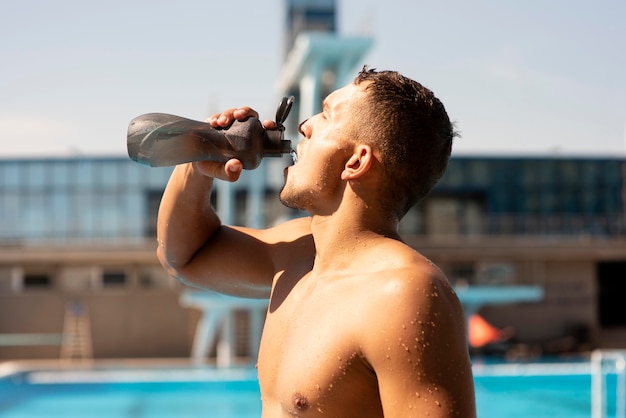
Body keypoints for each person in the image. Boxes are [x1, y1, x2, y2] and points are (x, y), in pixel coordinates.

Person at [157, 67, 476, 417]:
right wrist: (199, 159)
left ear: (356, 161)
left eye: (327, 114)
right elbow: (184, 256)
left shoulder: (404, 293)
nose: (305, 125)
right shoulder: (297, 253)